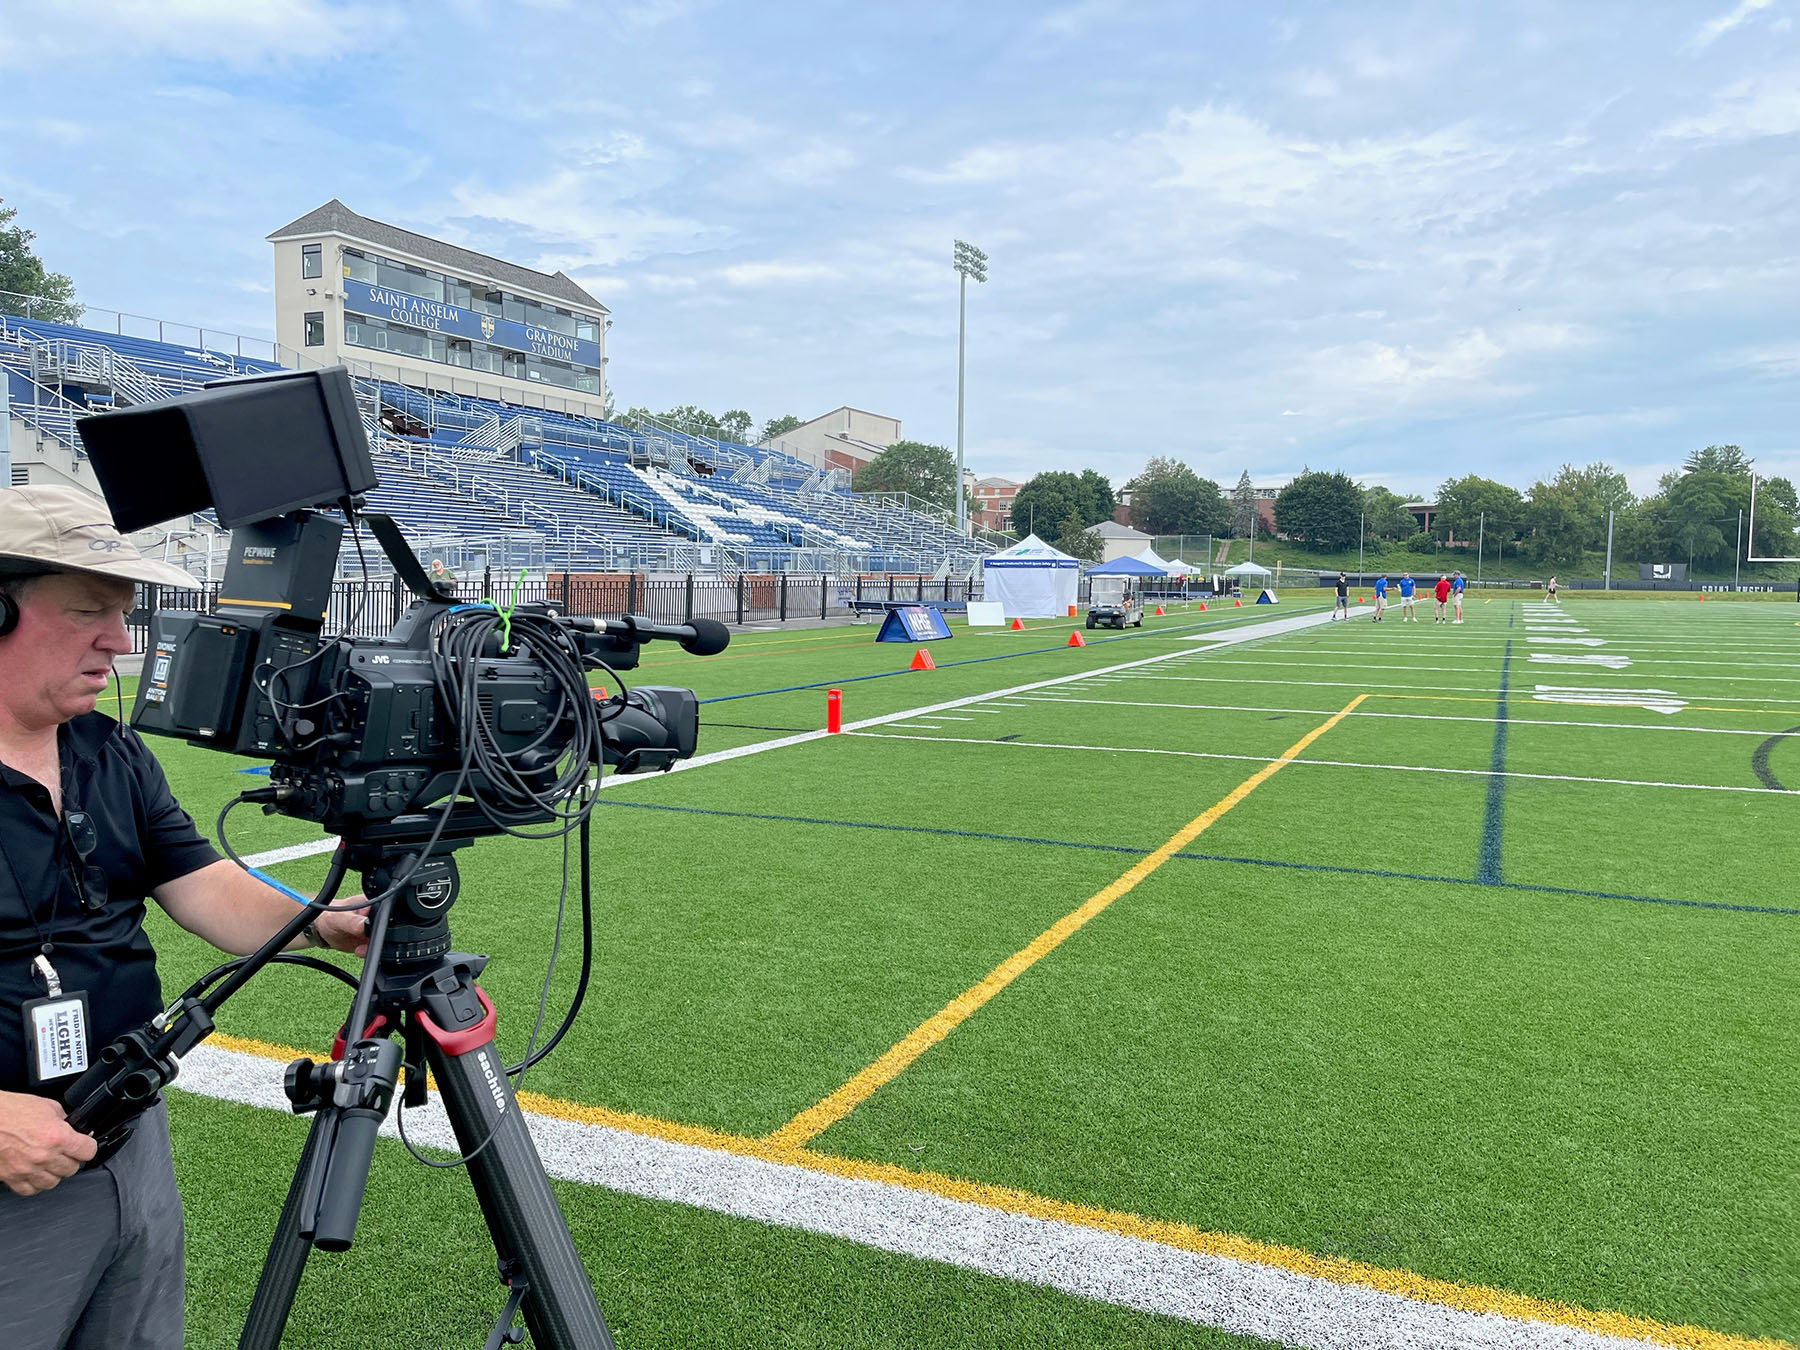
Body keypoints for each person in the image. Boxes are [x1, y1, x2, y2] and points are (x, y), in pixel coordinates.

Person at [0, 485, 368, 1349]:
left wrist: (318, 920)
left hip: (122, 1129)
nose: (119, 642)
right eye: (89, 611)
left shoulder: (109, 748)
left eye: (123, 615)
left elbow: (200, 884)